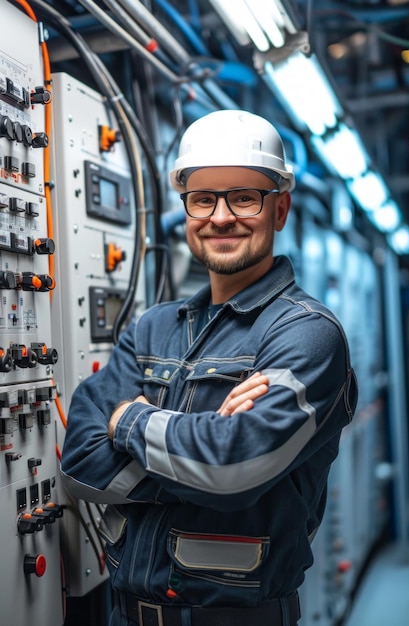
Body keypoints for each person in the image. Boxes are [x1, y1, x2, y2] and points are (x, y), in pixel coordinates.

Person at [61, 109, 358, 626]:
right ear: (188, 210)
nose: (221, 217)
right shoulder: (151, 328)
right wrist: (199, 454)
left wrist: (130, 422)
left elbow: (232, 468)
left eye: (244, 196)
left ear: (280, 209)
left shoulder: (307, 334)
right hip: (126, 615)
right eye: (203, 199)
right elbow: (79, 463)